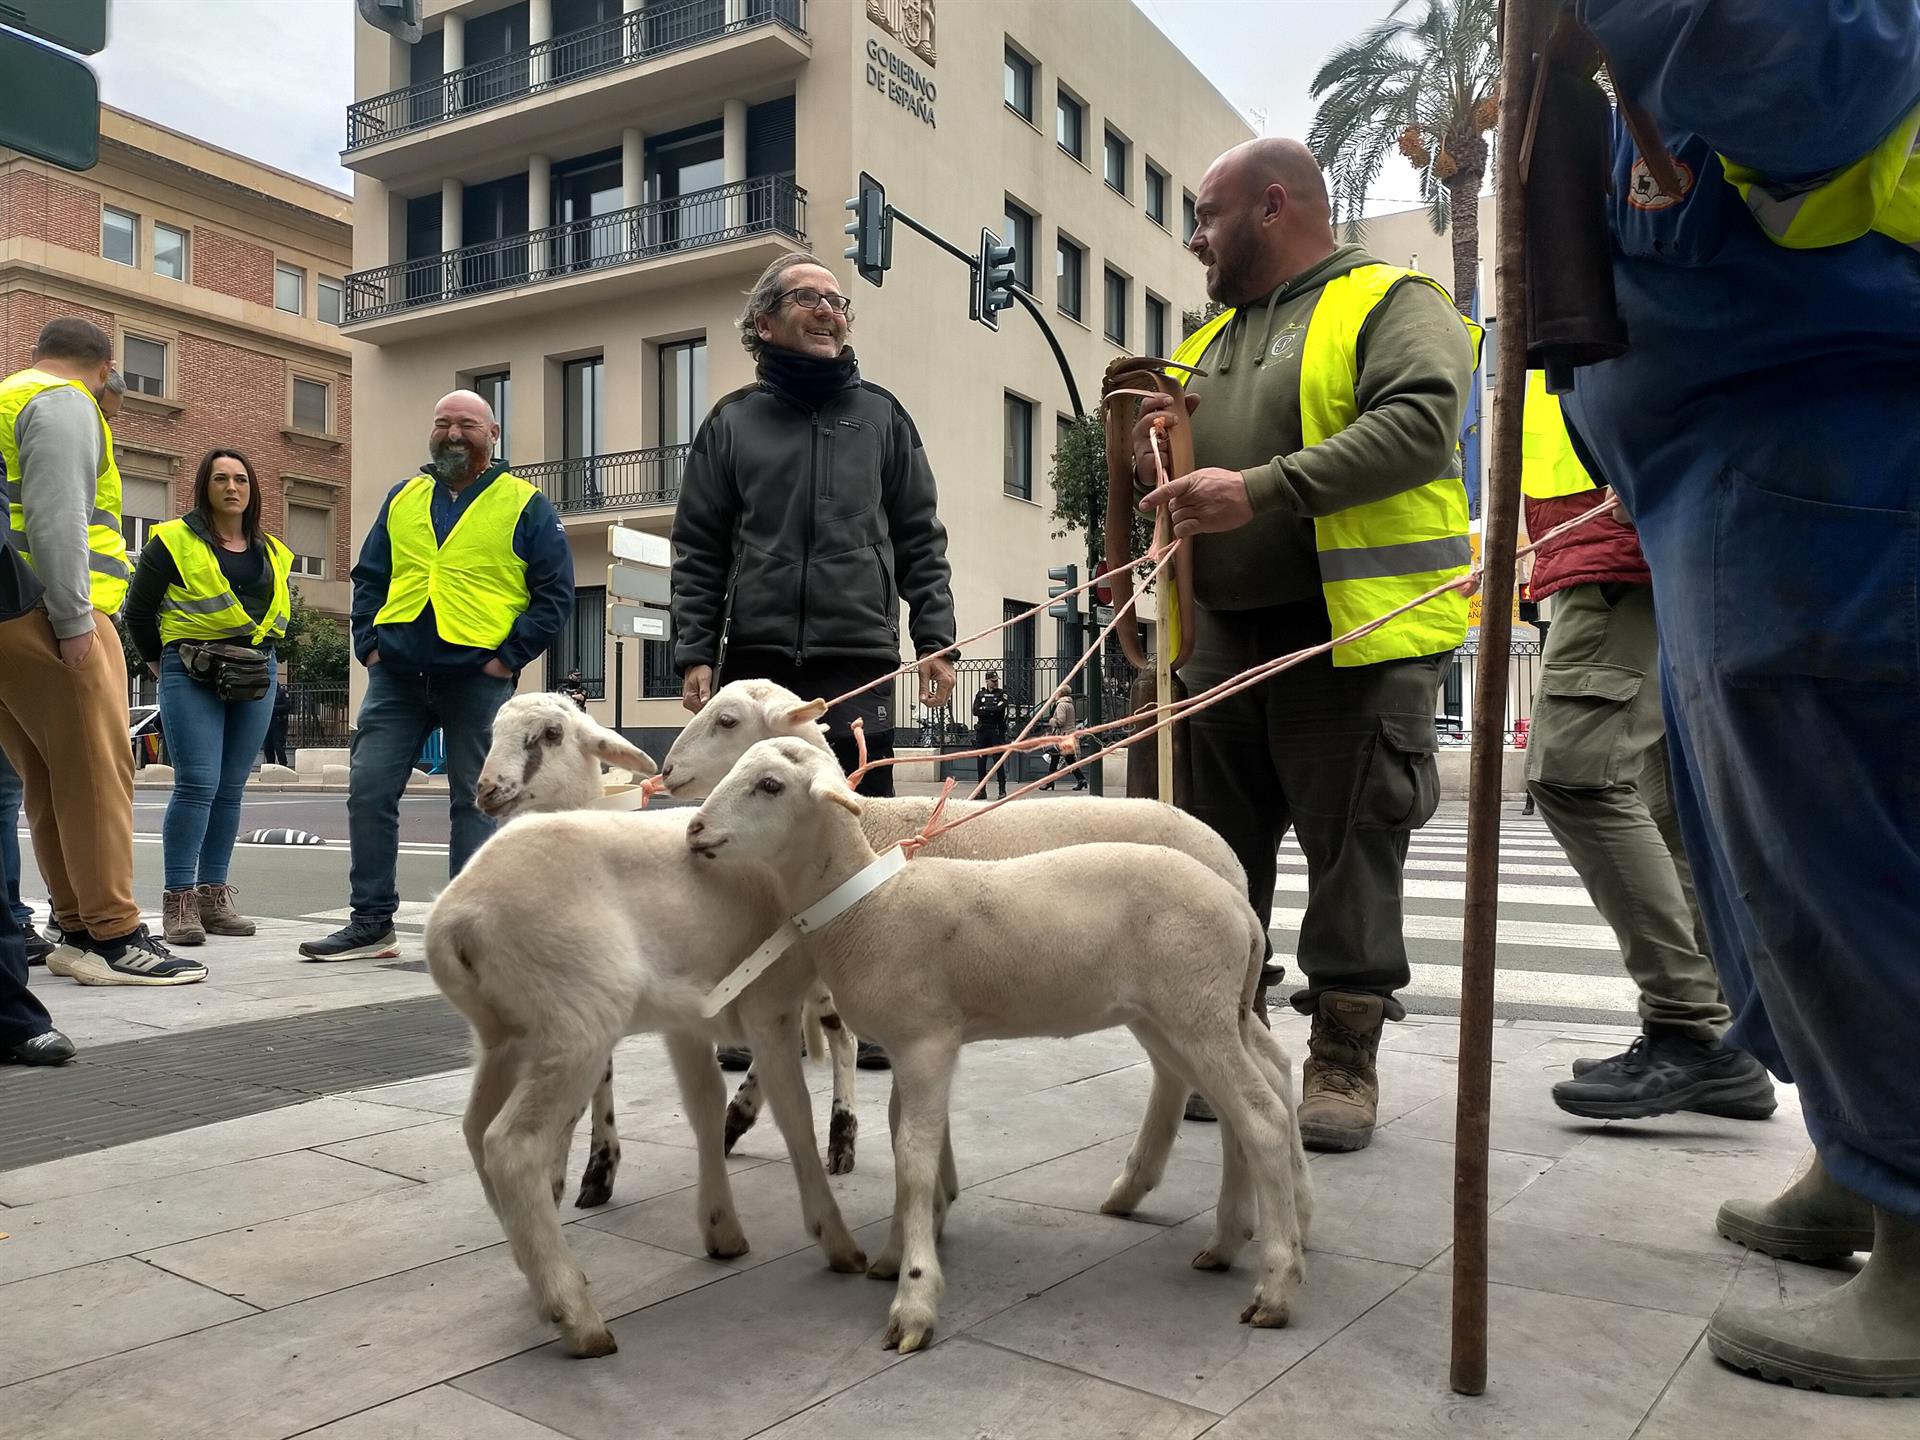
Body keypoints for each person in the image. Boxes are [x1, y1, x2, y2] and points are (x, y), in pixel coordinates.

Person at [1557, 1, 1920, 1394]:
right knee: (1764, 861)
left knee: (1846, 858)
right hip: (1740, 477)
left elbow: (1820, 71)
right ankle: (1860, 1153)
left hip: (1832, 454)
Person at [1132, 139, 1478, 1153]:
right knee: (1217, 865)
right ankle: (1228, 1040)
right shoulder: (1207, 342)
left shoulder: (1391, 300)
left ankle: (1343, 1055)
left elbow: (1419, 425)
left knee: (1353, 856)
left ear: (1272, 206)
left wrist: (1261, 489)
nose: (1194, 237)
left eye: (1206, 215)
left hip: (1352, 637)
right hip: (1222, 645)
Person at [672, 251, 957, 1071]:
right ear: (765, 321)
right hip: (758, 663)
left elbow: (919, 539)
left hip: (858, 658)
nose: (831, 310)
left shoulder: (882, 417)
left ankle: (868, 1009)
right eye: (810, 298)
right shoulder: (730, 422)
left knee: (857, 829)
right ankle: (763, 1001)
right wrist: (696, 650)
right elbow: (698, 549)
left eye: (839, 301)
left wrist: (933, 636)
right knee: (756, 837)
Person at [1518, 373, 1773, 1122]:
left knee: (1574, 775)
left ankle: (1689, 1029)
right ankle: (1720, 1037)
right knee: (1669, 805)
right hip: (1639, 539)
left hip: (1624, 549)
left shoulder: (1587, 262)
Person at [299, 389, 573, 962]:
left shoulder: (526, 504)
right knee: (369, 789)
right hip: (396, 674)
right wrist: (368, 644)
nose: (453, 433)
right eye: (443, 422)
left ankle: (467, 932)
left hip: (477, 676)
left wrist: (507, 657)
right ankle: (371, 924)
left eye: (467, 424)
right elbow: (371, 575)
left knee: (477, 801)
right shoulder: (403, 497)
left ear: (492, 435)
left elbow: (554, 595)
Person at [0, 316, 204, 985]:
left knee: (48, 778)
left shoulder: (10, 395)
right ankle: (114, 936)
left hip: (8, 612)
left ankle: (75, 926)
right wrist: (73, 617)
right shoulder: (62, 402)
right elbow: (59, 516)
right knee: (95, 776)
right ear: (105, 365)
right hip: (44, 610)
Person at [122, 447, 292, 945]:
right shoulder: (172, 541)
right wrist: (161, 662)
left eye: (241, 478)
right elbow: (137, 613)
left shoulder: (275, 551)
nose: (232, 487)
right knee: (197, 783)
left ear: (252, 489)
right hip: (191, 668)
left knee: (231, 786)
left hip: (255, 671)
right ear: (205, 487)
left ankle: (213, 897)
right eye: (221, 479)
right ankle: (178, 901)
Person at [970, 669, 1011, 796]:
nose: (995, 683)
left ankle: (1002, 790)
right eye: (993, 681)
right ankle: (981, 790)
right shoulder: (980, 694)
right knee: (981, 761)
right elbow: (975, 711)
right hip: (982, 731)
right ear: (987, 681)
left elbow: (1000, 709)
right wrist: (990, 710)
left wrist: (985, 709)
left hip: (996, 730)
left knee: (997, 760)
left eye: (996, 681)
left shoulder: (1002, 694)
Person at [1038, 691, 1088, 791]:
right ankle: (1080, 779)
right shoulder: (1070, 704)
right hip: (1069, 735)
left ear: (1060, 693)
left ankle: (1050, 782)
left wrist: (1052, 721)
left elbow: (1060, 721)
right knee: (1065, 759)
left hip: (1062, 736)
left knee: (1057, 758)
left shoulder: (1061, 705)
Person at [263, 671, 293, 768]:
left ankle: (283, 766)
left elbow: (287, 706)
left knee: (278, 745)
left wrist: (272, 708)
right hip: (267, 722)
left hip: (279, 723)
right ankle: (270, 767)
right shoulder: (265, 692)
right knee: (267, 746)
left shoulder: (282, 692)